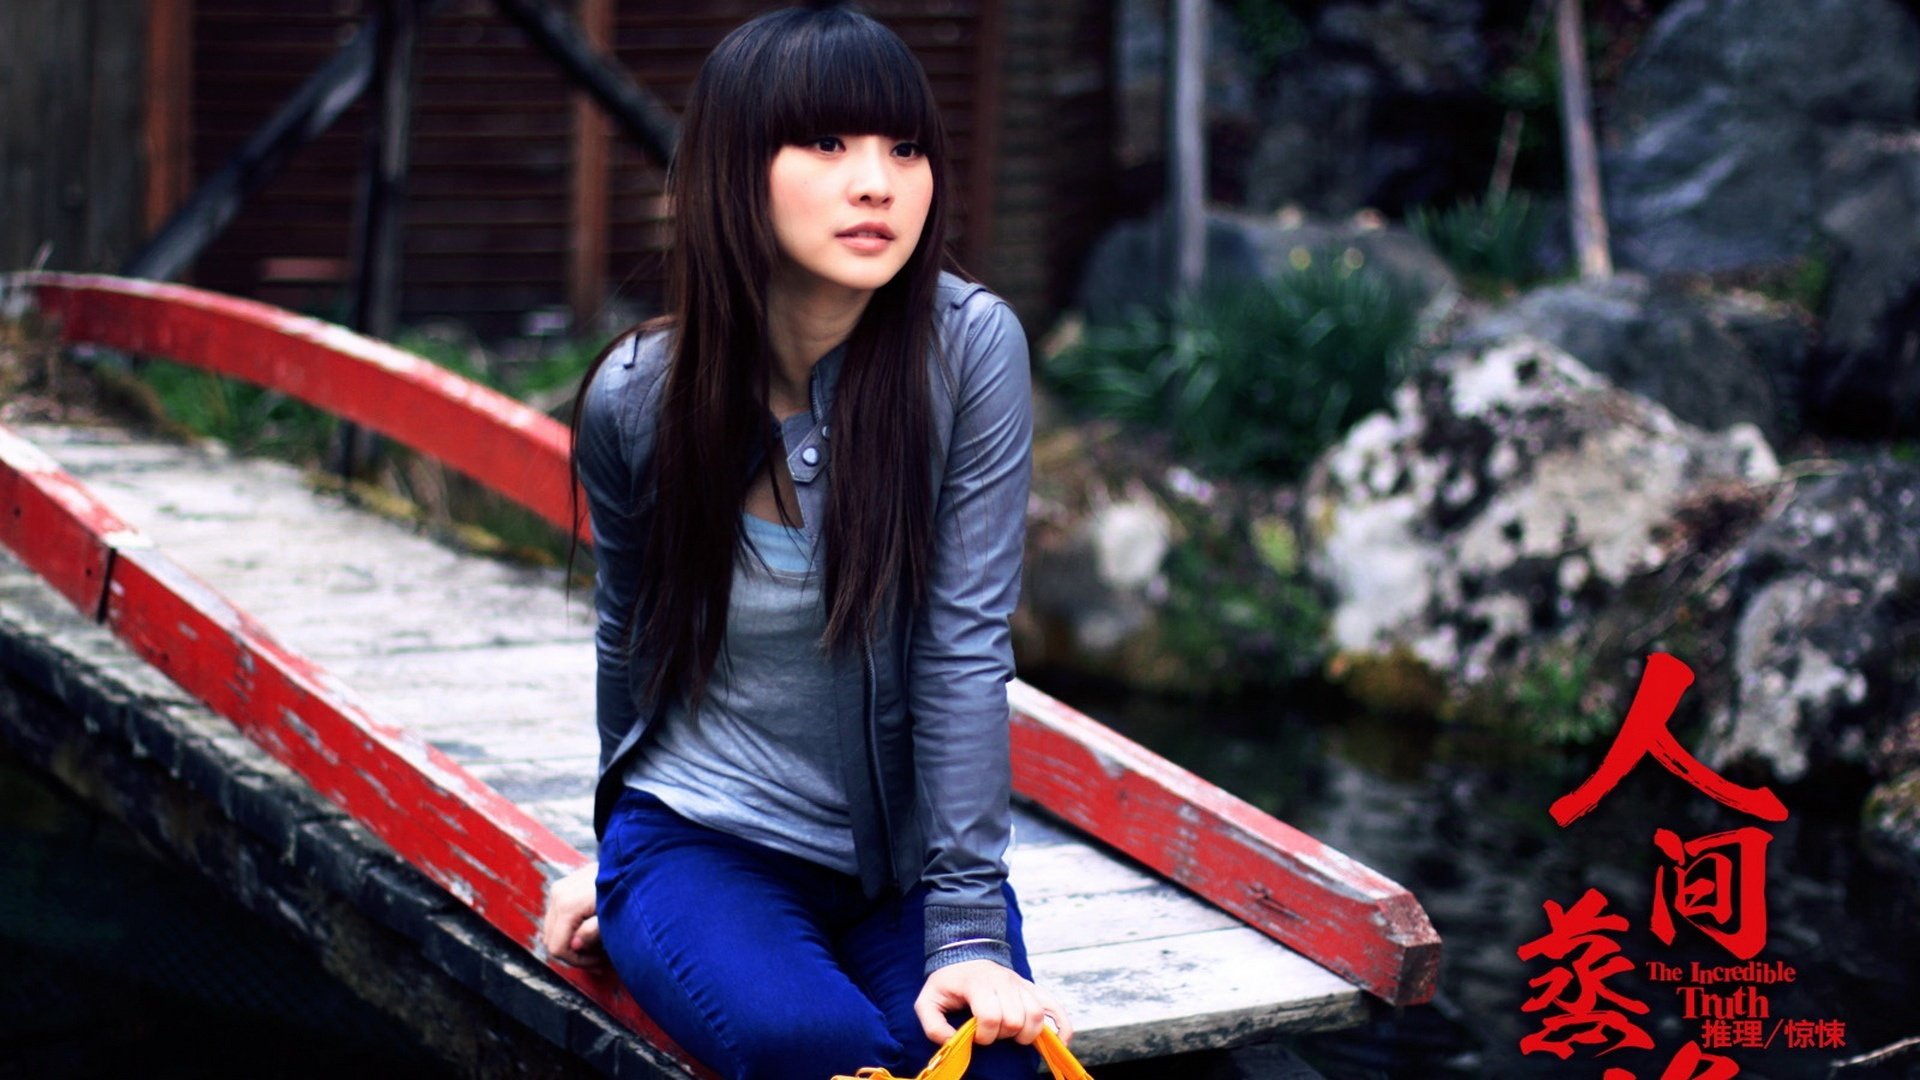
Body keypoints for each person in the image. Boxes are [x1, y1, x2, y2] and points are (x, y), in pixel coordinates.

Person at [538, 7, 1071, 1079]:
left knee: (996, 1063)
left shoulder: (968, 352)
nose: (877, 184)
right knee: (810, 1047)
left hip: (903, 872)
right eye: (827, 143)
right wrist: (623, 859)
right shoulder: (638, 401)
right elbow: (628, 637)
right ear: (734, 168)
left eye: (905, 148)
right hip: (704, 838)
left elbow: (964, 647)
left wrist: (969, 931)